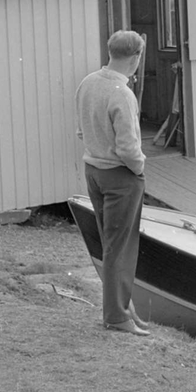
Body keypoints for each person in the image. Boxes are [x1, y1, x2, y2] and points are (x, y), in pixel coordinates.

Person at [76, 30, 151, 337]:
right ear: (136, 57)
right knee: (121, 248)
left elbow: (82, 130)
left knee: (111, 245)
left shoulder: (89, 82)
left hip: (93, 169)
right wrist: (141, 167)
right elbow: (128, 147)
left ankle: (122, 307)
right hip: (120, 176)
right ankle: (117, 316)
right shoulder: (122, 93)